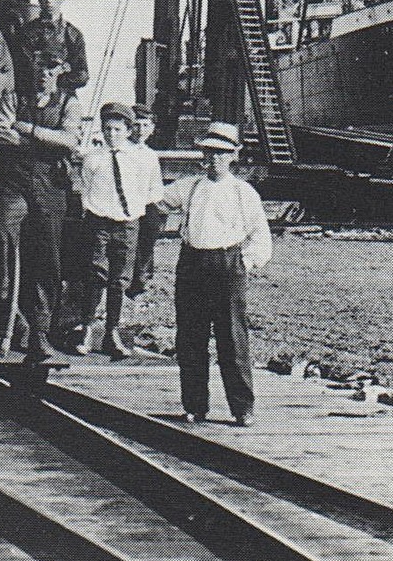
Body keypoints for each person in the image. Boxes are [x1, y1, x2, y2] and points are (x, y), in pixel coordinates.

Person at [160, 121, 272, 426]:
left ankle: (242, 408)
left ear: (233, 155)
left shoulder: (243, 192)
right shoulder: (189, 186)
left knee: (232, 339)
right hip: (192, 263)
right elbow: (154, 197)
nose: (214, 160)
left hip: (228, 265)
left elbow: (261, 237)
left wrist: (244, 264)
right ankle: (195, 405)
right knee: (191, 338)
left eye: (221, 154)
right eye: (209, 153)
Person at [0, 48, 84, 363]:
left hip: (50, 184)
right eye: (40, 66)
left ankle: (40, 332)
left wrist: (27, 130)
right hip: (13, 179)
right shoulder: (14, 96)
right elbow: (2, 133)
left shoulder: (69, 103)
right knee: (2, 229)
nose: (44, 73)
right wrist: (45, 138)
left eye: (51, 68)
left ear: (60, 71)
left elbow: (70, 140)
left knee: (47, 257)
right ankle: (6, 304)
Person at [69, 102, 165, 358]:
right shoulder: (93, 159)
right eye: (108, 129)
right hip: (99, 224)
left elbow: (154, 191)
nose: (112, 134)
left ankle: (112, 332)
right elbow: (85, 190)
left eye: (118, 129)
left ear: (128, 130)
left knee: (119, 280)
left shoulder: (144, 159)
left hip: (128, 225)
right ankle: (87, 329)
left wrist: (133, 209)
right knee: (95, 274)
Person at [18, 0, 89, 99]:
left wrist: (57, 79)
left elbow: (82, 75)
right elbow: (21, 70)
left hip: (62, 99)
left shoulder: (72, 34)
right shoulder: (27, 32)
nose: (48, 0)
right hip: (30, 99)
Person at [125, 104, 164, 303]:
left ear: (151, 128)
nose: (141, 130)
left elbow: (156, 186)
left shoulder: (150, 155)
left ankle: (140, 277)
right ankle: (127, 279)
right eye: (137, 125)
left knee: (149, 233)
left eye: (146, 125)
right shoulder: (123, 150)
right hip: (125, 204)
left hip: (146, 204)